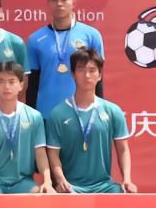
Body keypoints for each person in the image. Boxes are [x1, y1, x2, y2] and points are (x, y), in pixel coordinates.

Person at [46, 49, 136, 193]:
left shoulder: (113, 111)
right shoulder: (58, 113)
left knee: (125, 194)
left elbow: (123, 149)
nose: (87, 75)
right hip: (72, 187)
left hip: (105, 187)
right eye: (81, 70)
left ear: (100, 75)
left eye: (92, 70)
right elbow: (53, 153)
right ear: (73, 74)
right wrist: (61, 180)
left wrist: (127, 179)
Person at [0, 62, 53, 194]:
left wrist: (47, 181)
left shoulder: (34, 117)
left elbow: (40, 153)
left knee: (41, 196)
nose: (6, 86)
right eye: (1, 81)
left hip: (23, 182)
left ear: (21, 85)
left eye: (12, 81)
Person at [26, 0, 105, 118]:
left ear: (73, 1)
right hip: (47, 114)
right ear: (48, 2)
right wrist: (31, 117)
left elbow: (97, 78)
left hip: (82, 113)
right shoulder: (35, 39)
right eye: (54, 0)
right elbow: (32, 84)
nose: (59, 4)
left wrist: (99, 110)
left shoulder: (91, 35)